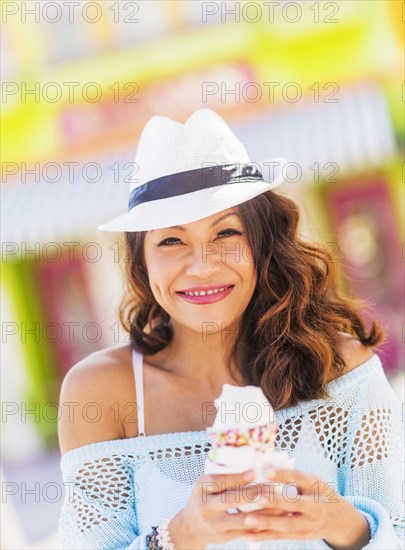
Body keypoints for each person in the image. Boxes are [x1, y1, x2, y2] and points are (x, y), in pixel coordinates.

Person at [58, 109, 404, 550]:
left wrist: (340, 524)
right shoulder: (103, 394)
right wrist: (176, 537)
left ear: (262, 245)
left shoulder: (339, 366)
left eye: (226, 234)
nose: (202, 266)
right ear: (141, 262)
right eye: (171, 240)